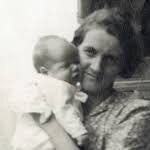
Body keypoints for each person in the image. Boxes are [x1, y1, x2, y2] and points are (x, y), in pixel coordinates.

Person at [40, 8, 150, 150]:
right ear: (74, 50)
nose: (96, 67)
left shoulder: (135, 112)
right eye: (90, 52)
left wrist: (49, 124)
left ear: (122, 66)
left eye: (110, 59)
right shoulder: (56, 96)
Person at [9, 36, 88, 150]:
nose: (75, 68)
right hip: (39, 143)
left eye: (76, 62)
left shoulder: (42, 86)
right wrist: (79, 132)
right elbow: (64, 110)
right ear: (45, 72)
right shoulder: (56, 86)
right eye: (66, 66)